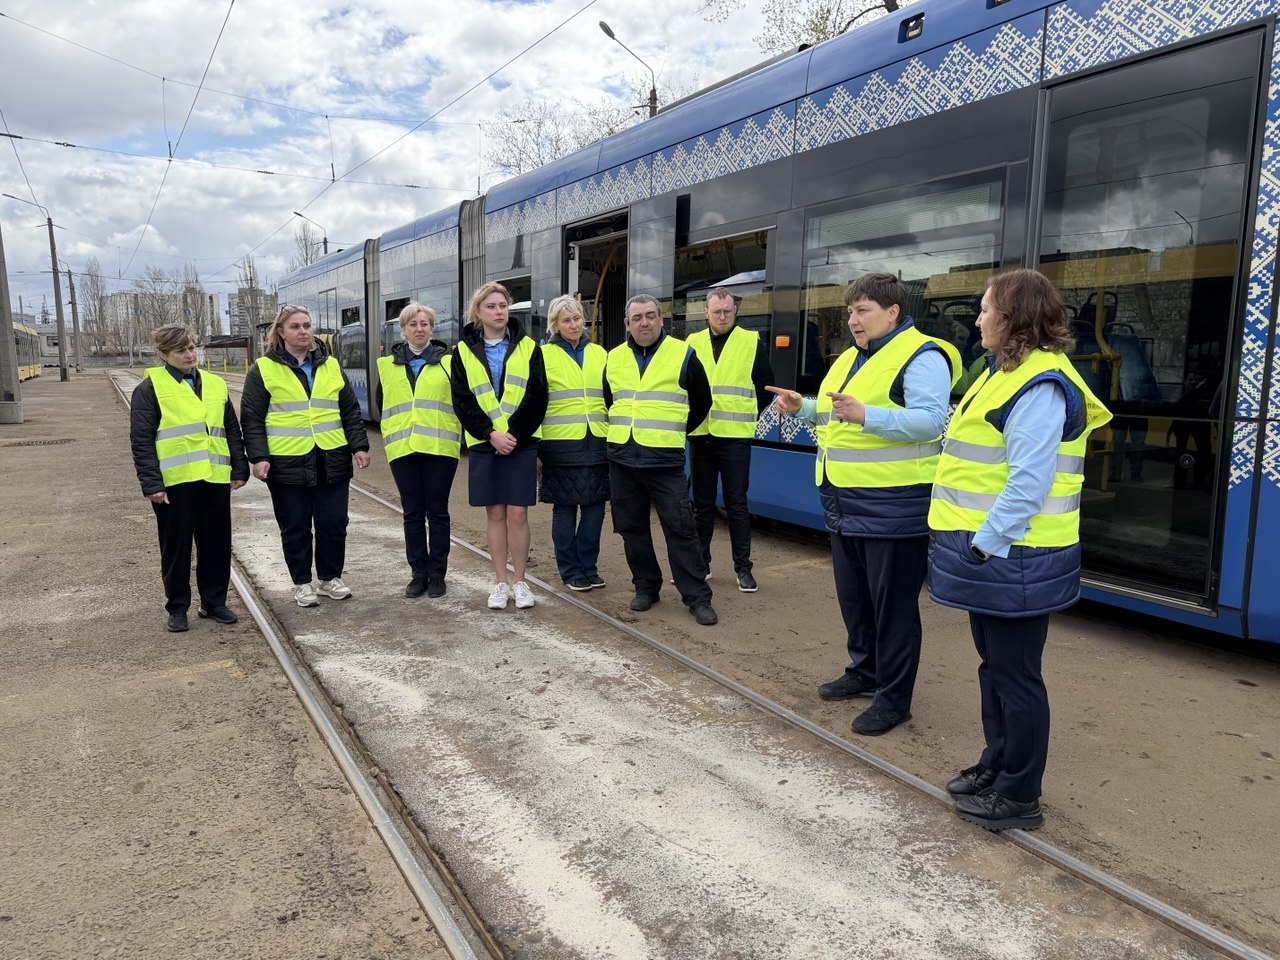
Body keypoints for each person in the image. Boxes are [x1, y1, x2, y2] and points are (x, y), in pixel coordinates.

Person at [929, 268, 1110, 832]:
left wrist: (983, 544)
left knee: (1017, 676)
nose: (977, 318)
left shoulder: (1041, 383)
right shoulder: (1002, 371)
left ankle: (1020, 796)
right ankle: (997, 764)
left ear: (1015, 318)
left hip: (1017, 556)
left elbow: (1028, 481)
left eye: (985, 309)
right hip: (1002, 558)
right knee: (996, 670)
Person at [767, 273, 959, 736]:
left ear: (892, 312)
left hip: (895, 503)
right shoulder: (854, 357)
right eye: (850, 311)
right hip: (845, 498)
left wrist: (866, 415)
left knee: (892, 607)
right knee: (856, 598)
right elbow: (838, 411)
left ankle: (894, 699)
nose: (852, 319)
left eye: (862, 310)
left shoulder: (922, 355)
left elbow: (933, 422)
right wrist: (804, 407)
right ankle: (865, 671)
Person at [240, 305, 370, 607]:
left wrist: (359, 446)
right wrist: (258, 457)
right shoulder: (263, 369)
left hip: (331, 458)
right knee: (296, 526)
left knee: (334, 523)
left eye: (307, 325)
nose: (303, 331)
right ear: (281, 332)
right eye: (296, 326)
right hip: (287, 462)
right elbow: (252, 418)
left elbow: (349, 410)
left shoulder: (331, 365)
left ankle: (329, 578)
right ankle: (302, 583)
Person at [604, 294, 717, 626]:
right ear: (627, 324)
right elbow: (612, 400)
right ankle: (646, 587)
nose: (644, 322)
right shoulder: (613, 358)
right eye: (637, 317)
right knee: (631, 528)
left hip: (664, 460)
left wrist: (672, 432)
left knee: (681, 530)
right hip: (623, 457)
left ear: (661, 319)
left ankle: (697, 597)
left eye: (651, 315)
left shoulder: (683, 354)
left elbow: (701, 403)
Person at [130, 323, 249, 632]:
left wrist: (239, 467)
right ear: (163, 354)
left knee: (216, 545)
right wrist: (152, 484)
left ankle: (213, 602)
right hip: (174, 483)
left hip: (214, 477)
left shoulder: (215, 384)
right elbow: (141, 440)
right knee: (176, 547)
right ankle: (178, 606)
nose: (189, 354)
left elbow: (231, 430)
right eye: (181, 350)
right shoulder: (150, 389)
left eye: (193, 347)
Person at [452, 281, 548, 610]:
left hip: (519, 443)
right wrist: (490, 433)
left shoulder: (530, 347)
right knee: (495, 514)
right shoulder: (462, 351)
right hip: (485, 443)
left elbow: (538, 396)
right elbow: (462, 401)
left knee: (518, 514)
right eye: (491, 306)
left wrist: (514, 435)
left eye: (503, 306)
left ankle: (520, 581)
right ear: (477, 312)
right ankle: (500, 583)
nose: (499, 311)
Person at [686, 287, 774, 592]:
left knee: (737, 506)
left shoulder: (751, 342)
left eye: (728, 311)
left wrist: (746, 417)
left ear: (735, 311)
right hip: (701, 436)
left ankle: (743, 569)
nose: (722, 316)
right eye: (716, 311)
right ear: (706, 313)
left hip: (735, 438)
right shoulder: (692, 343)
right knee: (702, 506)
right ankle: (701, 565)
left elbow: (765, 389)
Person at [376, 302, 461, 599]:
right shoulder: (386, 365)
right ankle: (418, 574)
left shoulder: (450, 363)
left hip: (439, 447)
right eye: (413, 324)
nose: (419, 329)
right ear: (403, 330)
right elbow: (381, 402)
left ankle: (437, 575)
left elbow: (461, 402)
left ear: (432, 328)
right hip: (402, 448)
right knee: (412, 513)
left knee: (437, 512)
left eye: (425, 323)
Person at [539, 295, 610, 592]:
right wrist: (536, 450)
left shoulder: (600, 354)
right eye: (566, 320)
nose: (574, 324)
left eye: (578, 318)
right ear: (555, 324)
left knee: (595, 509)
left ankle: (588, 566)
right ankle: (570, 570)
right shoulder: (541, 356)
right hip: (559, 445)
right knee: (565, 510)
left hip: (599, 441)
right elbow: (535, 404)